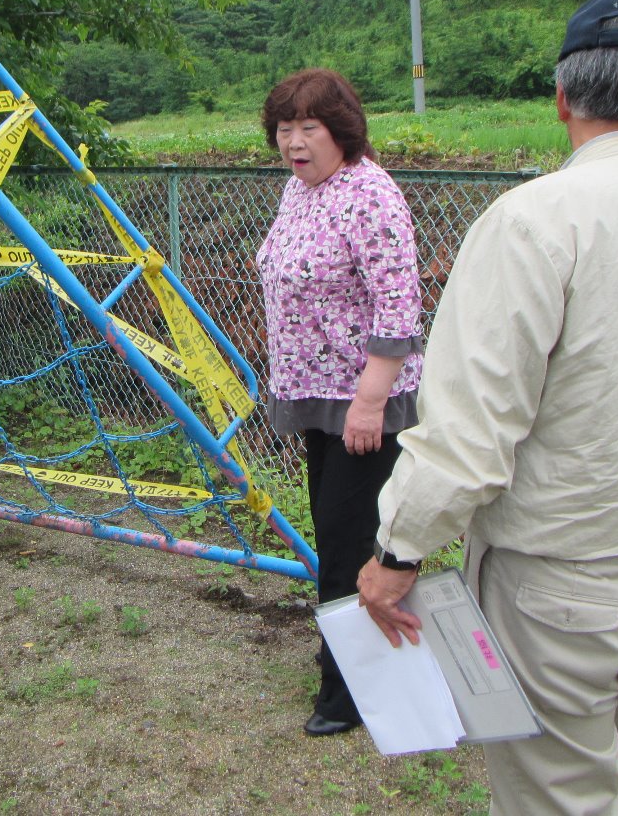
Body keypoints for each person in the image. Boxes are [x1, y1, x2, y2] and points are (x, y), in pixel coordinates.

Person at [357, 0, 618, 813]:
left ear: (562, 99)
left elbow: (471, 431)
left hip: (552, 578)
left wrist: (397, 553)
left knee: (559, 800)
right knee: (596, 773)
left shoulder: (536, 220)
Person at [256, 68, 424, 737]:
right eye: (284, 128)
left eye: (309, 128)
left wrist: (369, 402)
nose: (294, 142)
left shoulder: (370, 193)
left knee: (351, 542)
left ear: (341, 130)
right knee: (337, 538)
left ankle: (347, 694)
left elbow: (397, 301)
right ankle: (357, 667)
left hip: (362, 401)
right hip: (316, 397)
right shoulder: (297, 192)